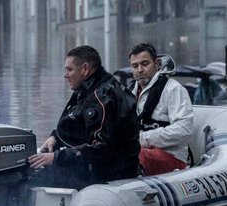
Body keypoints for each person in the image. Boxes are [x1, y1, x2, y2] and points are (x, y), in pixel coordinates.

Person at [27, 45, 140, 189]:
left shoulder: (101, 98)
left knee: (32, 180)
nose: (66, 75)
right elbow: (75, 122)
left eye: (69, 69)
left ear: (85, 69)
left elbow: (101, 148)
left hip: (110, 173)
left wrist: (57, 158)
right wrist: (55, 137)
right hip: (97, 166)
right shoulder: (89, 88)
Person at [127, 42, 195, 176]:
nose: (140, 70)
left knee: (131, 156)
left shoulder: (174, 89)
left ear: (157, 64)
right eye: (135, 66)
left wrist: (142, 139)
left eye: (145, 64)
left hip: (171, 157)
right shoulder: (128, 94)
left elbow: (185, 129)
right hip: (139, 152)